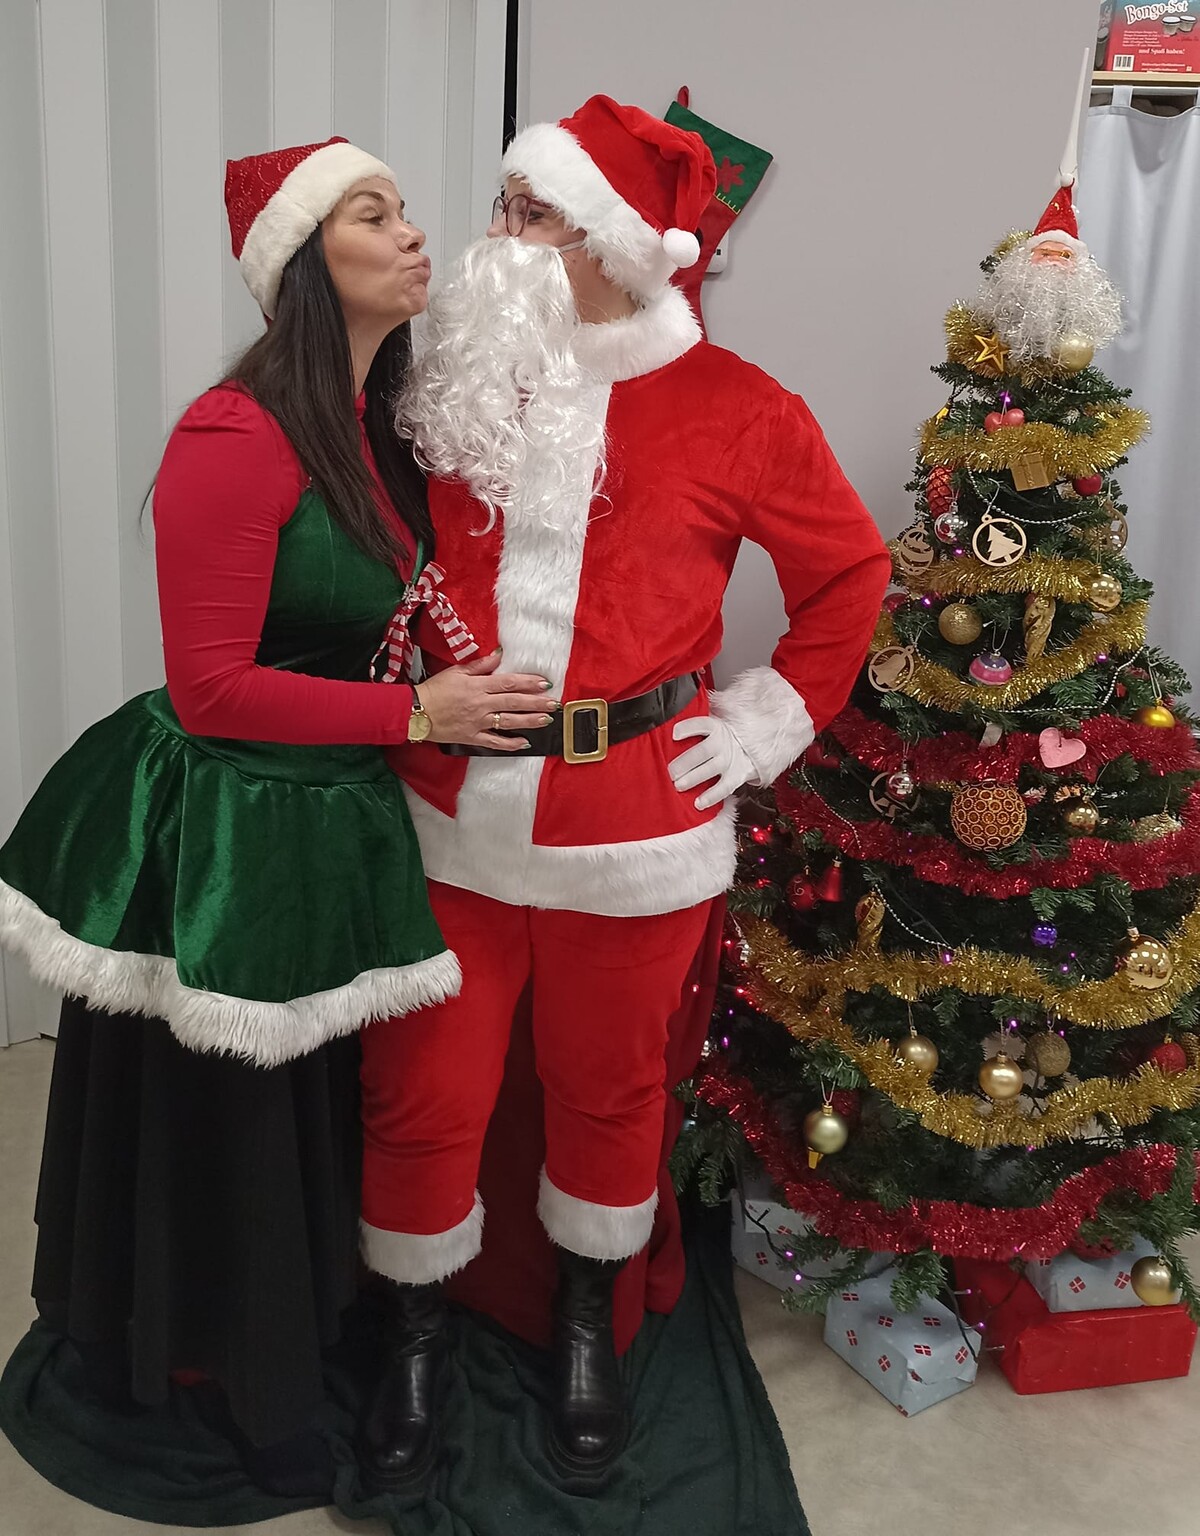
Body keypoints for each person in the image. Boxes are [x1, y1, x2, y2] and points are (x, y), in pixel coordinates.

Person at [0, 135, 551, 1495]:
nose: (413, 234)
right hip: (223, 835)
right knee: (225, 1122)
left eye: (407, 210)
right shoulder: (234, 433)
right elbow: (211, 688)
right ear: (304, 263)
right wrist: (419, 714)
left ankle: (293, 1330)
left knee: (306, 1103)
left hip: (322, 811)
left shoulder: (370, 427)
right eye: (373, 215)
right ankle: (211, 1369)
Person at [356, 97, 891, 1488]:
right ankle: (411, 1335)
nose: (498, 233)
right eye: (504, 203)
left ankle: (587, 1323)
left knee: (609, 1097)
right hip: (447, 823)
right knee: (422, 1094)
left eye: (532, 213)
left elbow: (851, 574)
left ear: (614, 244)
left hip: (635, 829)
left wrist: (764, 723)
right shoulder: (447, 377)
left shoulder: (740, 408)